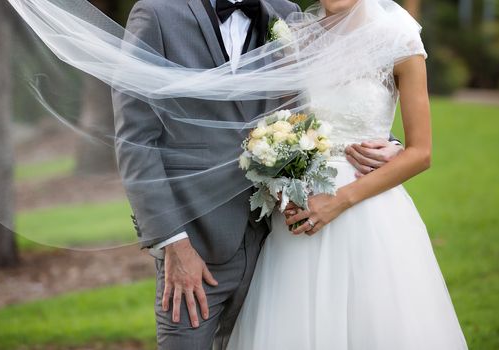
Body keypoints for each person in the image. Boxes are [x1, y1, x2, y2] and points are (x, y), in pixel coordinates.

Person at [114, 0, 403, 348]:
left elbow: (314, 103)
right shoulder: (157, 14)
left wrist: (388, 145)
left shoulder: (285, 12)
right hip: (197, 246)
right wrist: (172, 244)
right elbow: (135, 139)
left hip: (278, 245)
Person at [226, 0, 468, 349]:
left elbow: (421, 153)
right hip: (301, 212)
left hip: (370, 212)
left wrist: (337, 201)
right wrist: (279, 182)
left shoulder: (399, 40)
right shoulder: (297, 38)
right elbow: (283, 127)